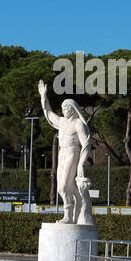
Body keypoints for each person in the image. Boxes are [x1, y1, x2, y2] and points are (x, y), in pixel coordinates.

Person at [37, 79, 94, 225]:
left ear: (73, 109)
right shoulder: (62, 122)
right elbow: (49, 114)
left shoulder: (78, 124)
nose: (64, 110)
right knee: (66, 187)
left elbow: (86, 144)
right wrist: (44, 97)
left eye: (66, 108)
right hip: (62, 154)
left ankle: (67, 216)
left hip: (72, 153)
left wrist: (81, 163)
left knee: (63, 187)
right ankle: (81, 203)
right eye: (62, 108)